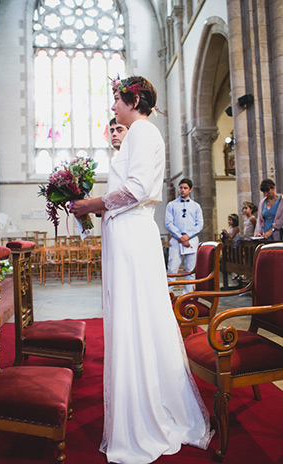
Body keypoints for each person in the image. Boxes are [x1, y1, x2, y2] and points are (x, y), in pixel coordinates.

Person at [69, 75, 213, 464]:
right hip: (129, 233)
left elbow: (134, 190)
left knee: (135, 319)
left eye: (116, 101)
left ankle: (144, 413)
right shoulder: (142, 133)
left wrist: (91, 205)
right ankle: (144, 397)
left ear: (132, 100)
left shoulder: (140, 132)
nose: (113, 109)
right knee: (136, 318)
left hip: (132, 234)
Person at [165, 178, 204, 294]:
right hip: (176, 240)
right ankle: (168, 295)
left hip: (191, 241)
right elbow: (168, 223)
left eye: (185, 188)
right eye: (181, 187)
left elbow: (200, 224)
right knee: (172, 269)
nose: (182, 190)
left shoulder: (196, 206)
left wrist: (187, 236)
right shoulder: (171, 205)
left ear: (190, 190)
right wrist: (180, 237)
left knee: (190, 270)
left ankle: (187, 296)